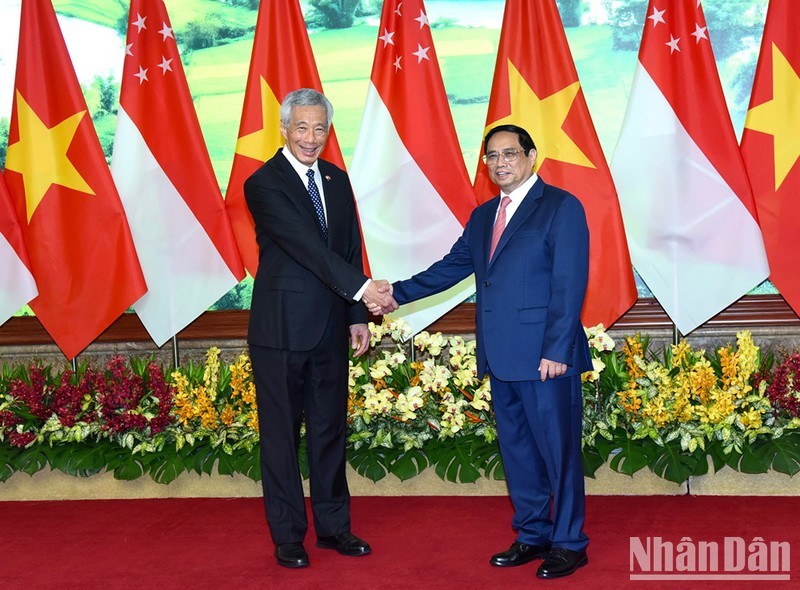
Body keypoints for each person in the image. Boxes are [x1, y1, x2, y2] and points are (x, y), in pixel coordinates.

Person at [372, 124, 591, 579]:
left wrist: (557, 349)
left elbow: (570, 285)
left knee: (559, 452)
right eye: (492, 156)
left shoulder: (561, 208)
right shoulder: (483, 216)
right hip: (501, 355)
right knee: (518, 452)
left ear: (532, 156)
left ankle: (570, 542)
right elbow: (451, 268)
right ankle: (533, 534)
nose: (500, 163)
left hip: (547, 359)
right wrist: (394, 292)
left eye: (510, 153)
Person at [244, 88, 397, 569]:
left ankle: (335, 529)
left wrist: (357, 316)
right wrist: (366, 290)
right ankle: (289, 535)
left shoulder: (335, 178)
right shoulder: (263, 182)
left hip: (332, 327)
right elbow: (306, 248)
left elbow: (349, 247)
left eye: (320, 128)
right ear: (284, 129)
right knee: (281, 436)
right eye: (302, 127)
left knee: (330, 430)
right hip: (281, 330)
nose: (312, 138)